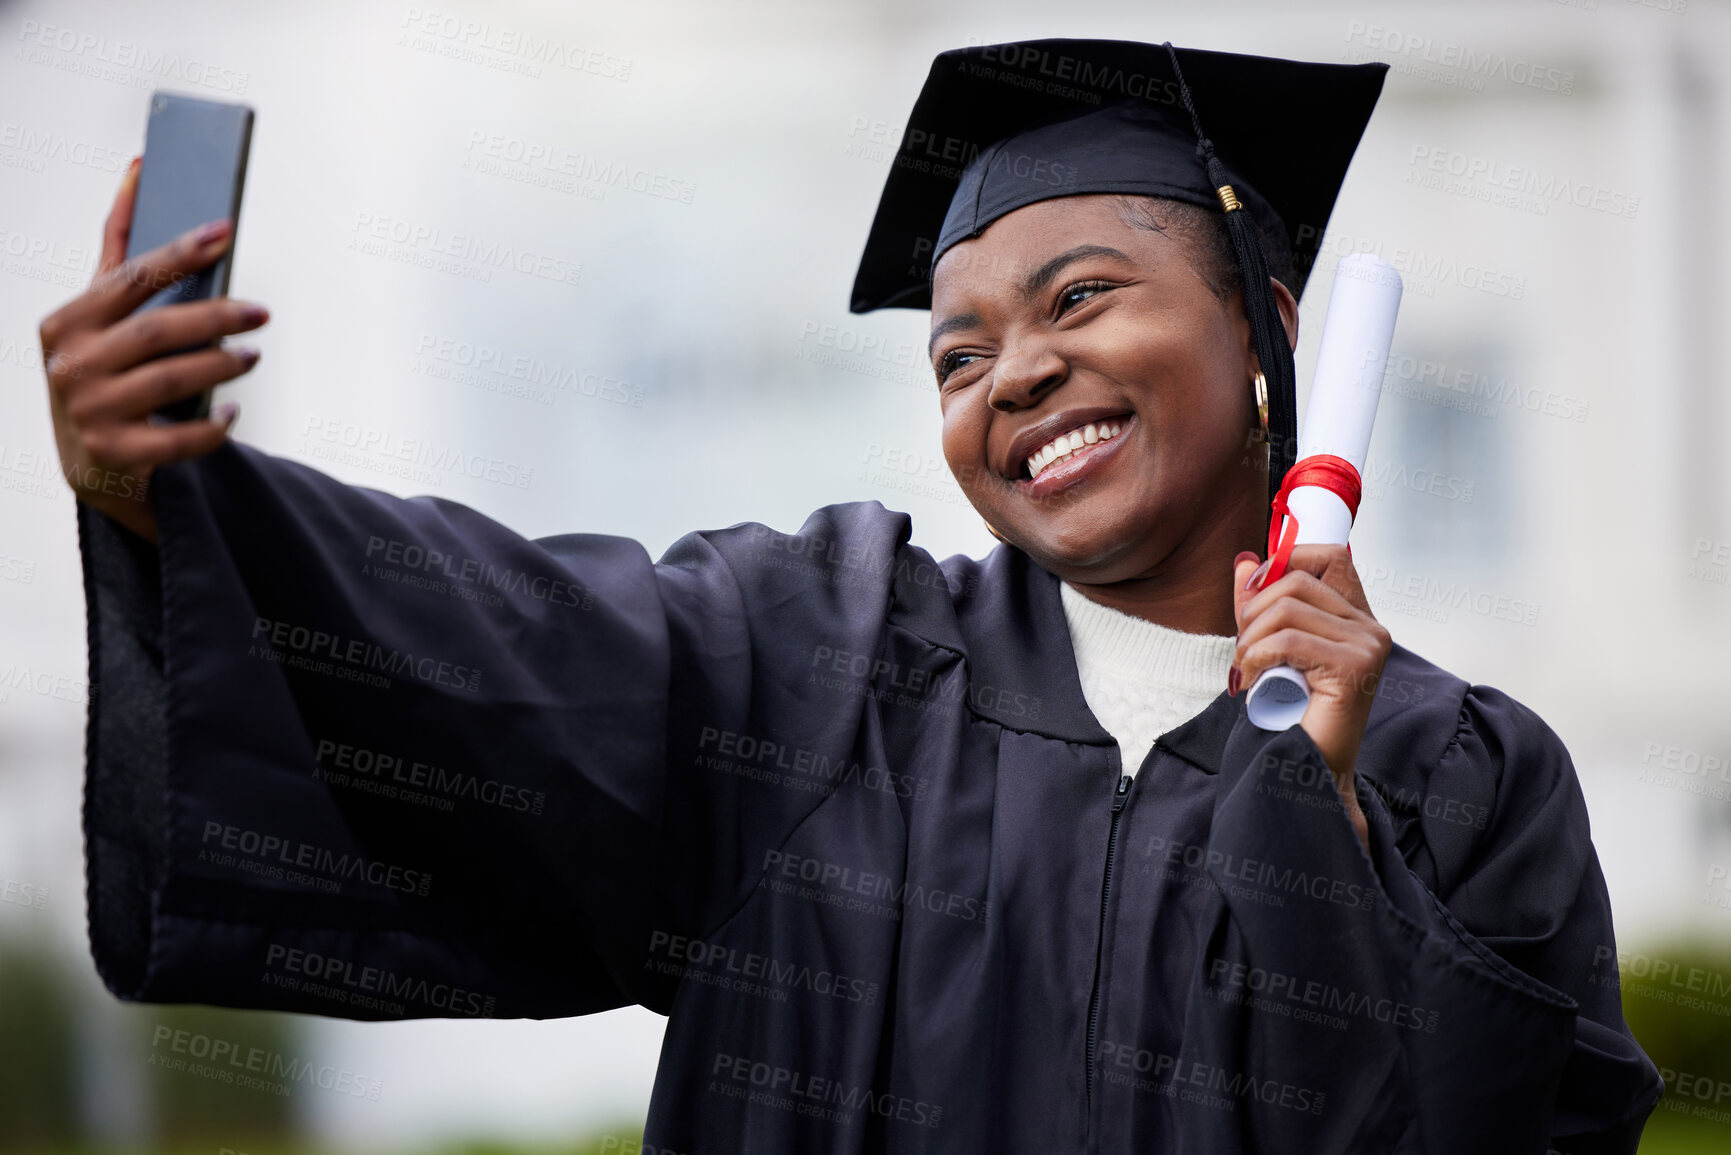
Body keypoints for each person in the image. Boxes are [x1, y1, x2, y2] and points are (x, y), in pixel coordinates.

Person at [41, 37, 1660, 1154]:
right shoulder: (818, 660)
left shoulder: (1464, 772)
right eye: (957, 357)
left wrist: (1320, 817)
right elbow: (503, 640)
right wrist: (172, 500)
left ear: (1268, 337)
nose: (1015, 373)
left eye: (1081, 298)